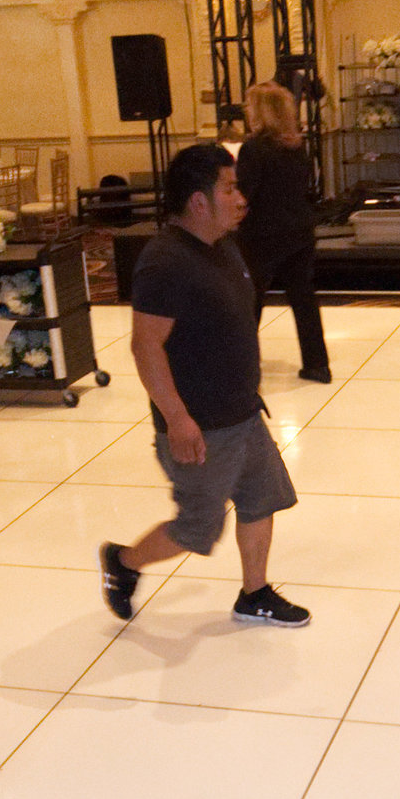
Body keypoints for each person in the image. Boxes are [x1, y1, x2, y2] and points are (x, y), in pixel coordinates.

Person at [99, 143, 310, 631]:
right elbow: (145, 346)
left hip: (241, 412)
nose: (241, 198)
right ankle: (123, 561)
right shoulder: (164, 262)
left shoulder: (222, 244)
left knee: (263, 499)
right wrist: (177, 418)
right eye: (229, 188)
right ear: (198, 201)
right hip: (201, 426)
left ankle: (254, 593)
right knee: (197, 526)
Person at [235, 81, 332, 386]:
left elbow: (245, 194)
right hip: (299, 230)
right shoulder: (297, 146)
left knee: (249, 304)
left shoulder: (254, 148)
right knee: (304, 298)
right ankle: (318, 365)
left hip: (263, 235)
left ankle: (244, 371)